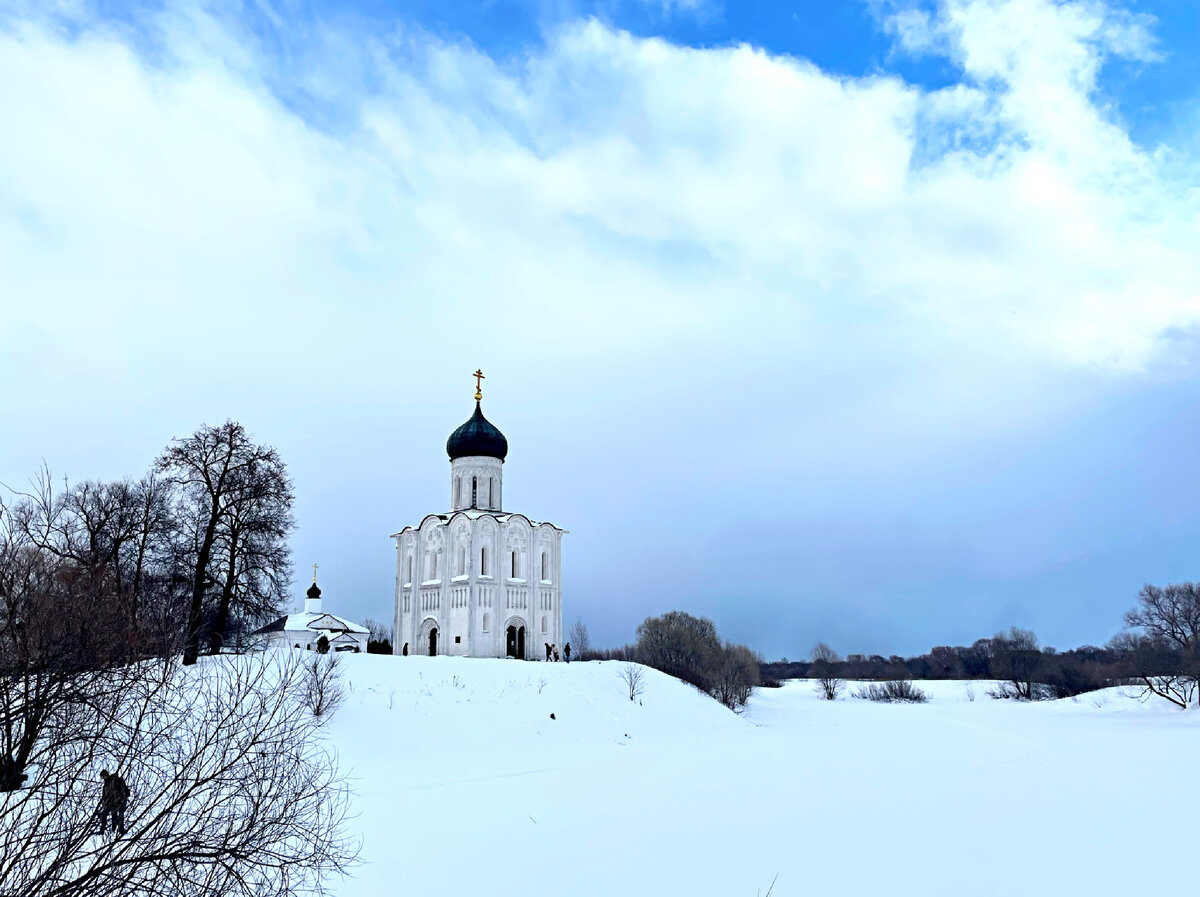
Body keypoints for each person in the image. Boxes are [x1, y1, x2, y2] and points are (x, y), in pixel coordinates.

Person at [97, 769, 129, 836]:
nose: (103, 778)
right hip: (110, 803)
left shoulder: (115, 780)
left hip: (118, 801)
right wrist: (104, 804)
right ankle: (102, 830)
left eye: (103, 776)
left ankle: (121, 830)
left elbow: (122, 790)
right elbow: (104, 797)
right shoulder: (105, 785)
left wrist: (123, 799)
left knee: (120, 815)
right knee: (104, 814)